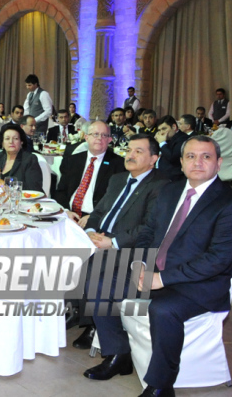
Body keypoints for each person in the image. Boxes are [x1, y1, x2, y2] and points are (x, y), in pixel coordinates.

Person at [86, 136, 232, 396]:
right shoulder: (170, 191)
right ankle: (119, 355)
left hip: (199, 284)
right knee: (100, 280)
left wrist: (162, 279)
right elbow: (149, 232)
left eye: (206, 156)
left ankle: (161, 384)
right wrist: (140, 264)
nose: (197, 162)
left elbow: (216, 260)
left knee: (163, 309)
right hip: (154, 272)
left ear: (218, 164)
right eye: (191, 156)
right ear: (182, 163)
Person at [70, 134, 169, 349]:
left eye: (138, 151)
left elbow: (148, 228)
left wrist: (113, 242)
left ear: (154, 159)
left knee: (92, 268)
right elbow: (98, 212)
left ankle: (93, 325)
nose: (130, 155)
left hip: (129, 247)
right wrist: (90, 231)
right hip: (99, 237)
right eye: (129, 150)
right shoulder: (117, 179)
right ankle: (77, 312)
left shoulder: (161, 186)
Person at [55, 121, 126, 220]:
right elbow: (61, 191)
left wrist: (94, 217)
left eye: (104, 135)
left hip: (96, 217)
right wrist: (66, 211)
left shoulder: (119, 164)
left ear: (110, 139)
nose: (99, 138)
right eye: (95, 134)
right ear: (86, 137)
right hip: (69, 214)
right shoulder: (72, 160)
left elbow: (117, 198)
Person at [0, 124, 43, 191]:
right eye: (7, 139)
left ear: (21, 142)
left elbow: (34, 188)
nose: (11, 142)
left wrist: (5, 188)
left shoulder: (29, 159)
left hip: (21, 199)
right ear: (2, 143)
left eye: (15, 138)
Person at [155, 115, 189, 182]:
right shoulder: (167, 139)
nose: (161, 132)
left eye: (164, 129)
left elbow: (173, 157)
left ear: (174, 127)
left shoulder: (183, 138)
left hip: (174, 179)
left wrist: (162, 143)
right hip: (161, 175)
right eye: (159, 130)